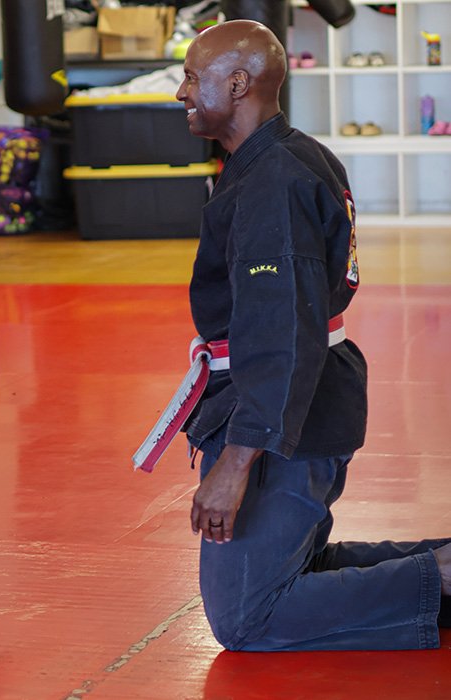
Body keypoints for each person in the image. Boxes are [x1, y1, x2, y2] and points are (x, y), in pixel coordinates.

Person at [174, 20, 451, 650]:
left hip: (285, 410)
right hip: (300, 394)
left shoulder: (272, 182)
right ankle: (438, 565)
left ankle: (438, 574)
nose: (182, 92)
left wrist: (237, 462)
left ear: (237, 84)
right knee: (285, 573)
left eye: (192, 77)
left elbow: (282, 332)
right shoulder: (293, 155)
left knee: (247, 618)